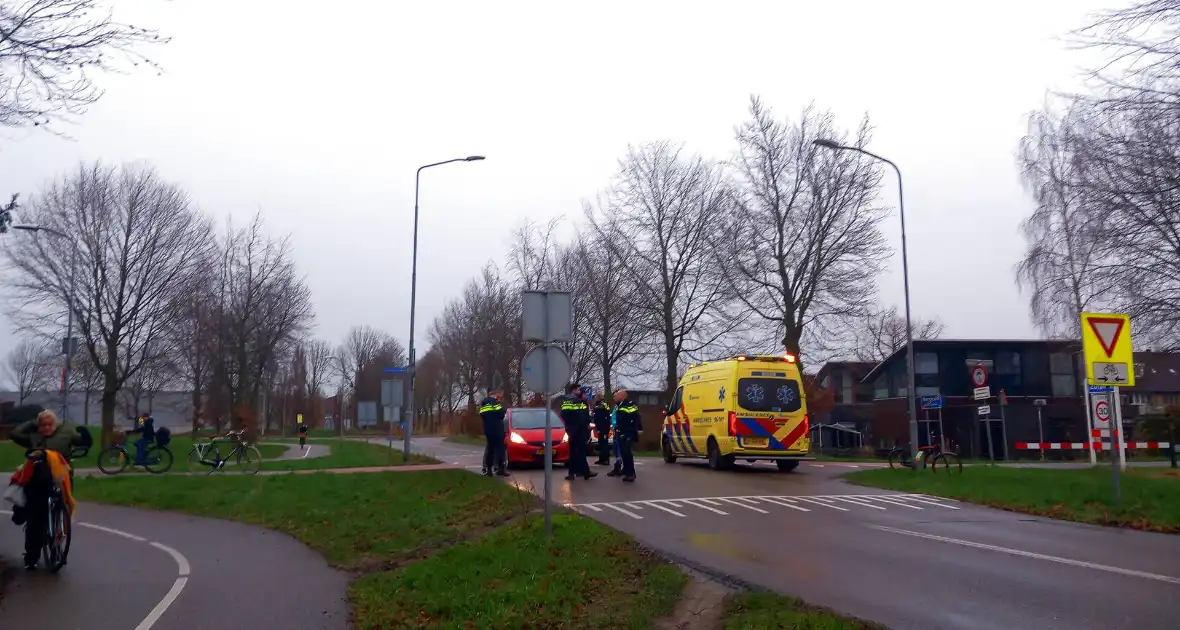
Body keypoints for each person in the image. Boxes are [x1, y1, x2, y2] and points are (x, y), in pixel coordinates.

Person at [8, 410, 85, 569]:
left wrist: (85, 436)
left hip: (61, 477)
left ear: (55, 424)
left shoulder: (66, 433)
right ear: (39, 426)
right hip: (38, 479)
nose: (47, 428)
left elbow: (81, 441)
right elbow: (15, 434)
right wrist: (31, 424)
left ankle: (56, 548)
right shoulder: (33, 436)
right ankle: (31, 557)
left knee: (61, 517)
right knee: (35, 518)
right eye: (43, 425)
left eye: (50, 424)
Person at [560, 383, 597, 481]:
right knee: (581, 452)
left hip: (574, 430)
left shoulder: (574, 401)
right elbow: (576, 417)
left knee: (574, 453)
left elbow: (567, 415)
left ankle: (573, 473)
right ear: (574, 390)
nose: (580, 392)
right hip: (577, 431)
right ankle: (585, 472)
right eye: (579, 390)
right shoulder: (574, 401)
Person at [612, 389, 642, 483]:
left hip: (626, 433)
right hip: (621, 432)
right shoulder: (619, 405)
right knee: (624, 453)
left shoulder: (628, 405)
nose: (615, 397)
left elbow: (636, 417)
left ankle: (631, 474)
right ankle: (626, 470)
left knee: (627, 453)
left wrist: (639, 429)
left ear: (622, 396)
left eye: (617, 395)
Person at [478, 390, 509, 477]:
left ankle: (488, 470)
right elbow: (502, 414)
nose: (499, 398)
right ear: (494, 395)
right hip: (497, 430)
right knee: (500, 450)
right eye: (498, 396)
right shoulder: (495, 403)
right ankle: (501, 468)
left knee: (490, 450)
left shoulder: (483, 404)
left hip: (488, 430)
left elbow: (482, 415)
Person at [592, 395, 612, 466]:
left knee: (604, 443)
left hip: (604, 427)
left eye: (596, 397)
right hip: (599, 426)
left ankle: (606, 459)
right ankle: (601, 459)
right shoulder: (597, 404)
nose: (594, 398)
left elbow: (605, 412)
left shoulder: (604, 404)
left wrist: (595, 409)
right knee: (601, 442)